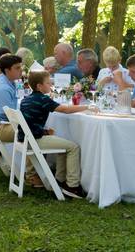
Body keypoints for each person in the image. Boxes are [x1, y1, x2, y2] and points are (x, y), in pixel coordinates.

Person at [20, 70, 91, 198]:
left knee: (63, 144)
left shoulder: (27, 98)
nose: (51, 85)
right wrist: (86, 107)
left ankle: (59, 180)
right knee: (73, 147)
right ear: (39, 86)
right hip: (34, 140)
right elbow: (65, 110)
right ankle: (72, 186)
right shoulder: (42, 99)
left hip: (26, 138)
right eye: (48, 83)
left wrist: (45, 131)